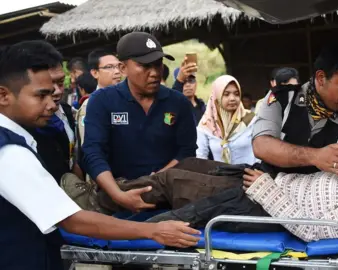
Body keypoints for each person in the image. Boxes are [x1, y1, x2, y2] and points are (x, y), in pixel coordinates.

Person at [0, 40, 200, 270]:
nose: (52, 104)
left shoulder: (176, 102)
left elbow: (187, 151)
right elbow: (71, 218)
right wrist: (153, 230)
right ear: (4, 96)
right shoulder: (9, 152)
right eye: (41, 95)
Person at [147, 103, 338, 241]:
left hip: (264, 206)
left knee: (189, 206)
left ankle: (138, 233)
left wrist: (267, 189)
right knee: (190, 168)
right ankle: (120, 197)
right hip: (265, 186)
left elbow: (310, 229)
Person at [82, 32, 197, 213]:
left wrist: (158, 178)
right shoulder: (102, 101)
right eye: (144, 66)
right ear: (123, 68)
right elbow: (92, 152)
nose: (154, 73)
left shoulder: (178, 103)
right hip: (117, 200)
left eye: (158, 64)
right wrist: (119, 195)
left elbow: (187, 150)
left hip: (169, 198)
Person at [253, 43, 338, 177]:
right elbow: (261, 146)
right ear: (321, 77)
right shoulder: (282, 99)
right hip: (269, 188)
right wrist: (316, 156)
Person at [25, 42, 79, 183]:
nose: (57, 91)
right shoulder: (20, 126)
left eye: (60, 83)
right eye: (47, 86)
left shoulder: (66, 111)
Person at [196, 75, 256, 164]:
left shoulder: (251, 119)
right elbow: (201, 156)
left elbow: (261, 153)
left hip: (249, 175)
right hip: (221, 176)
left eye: (236, 94)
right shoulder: (207, 123)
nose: (232, 98)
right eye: (226, 94)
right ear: (216, 97)